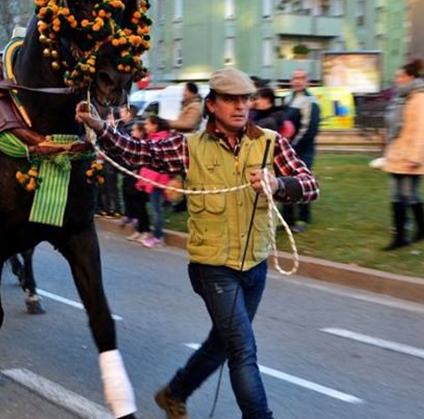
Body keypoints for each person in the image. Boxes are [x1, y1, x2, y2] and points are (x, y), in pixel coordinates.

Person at [76, 67, 319, 419]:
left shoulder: (271, 143)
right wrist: (100, 127)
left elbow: (310, 186)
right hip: (213, 269)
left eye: (246, 99)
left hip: (255, 267)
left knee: (223, 343)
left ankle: (174, 393)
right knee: (242, 349)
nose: (240, 106)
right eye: (230, 99)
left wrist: (278, 184)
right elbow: (140, 152)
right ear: (212, 105)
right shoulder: (188, 148)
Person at [381, 58, 424, 250]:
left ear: (411, 77)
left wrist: (415, 157)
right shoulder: (402, 97)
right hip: (397, 152)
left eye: (399, 76)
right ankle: (404, 235)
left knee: (408, 195)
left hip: (411, 154)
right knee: (397, 196)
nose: (396, 79)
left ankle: (415, 232)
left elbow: (423, 131)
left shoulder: (423, 98)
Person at [282, 69, 319, 233]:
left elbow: (309, 129)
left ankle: (304, 219)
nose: (297, 81)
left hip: (303, 150)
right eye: (295, 78)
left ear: (307, 81)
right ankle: (288, 220)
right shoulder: (288, 98)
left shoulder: (310, 101)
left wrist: (294, 147)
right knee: (285, 182)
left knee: (302, 182)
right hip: (287, 149)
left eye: (301, 78)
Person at [135, 116, 176, 248]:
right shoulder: (153, 139)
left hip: (158, 181)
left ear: (155, 126)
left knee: (157, 210)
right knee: (155, 208)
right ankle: (155, 234)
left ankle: (158, 237)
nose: (145, 126)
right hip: (153, 181)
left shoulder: (160, 140)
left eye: (148, 124)